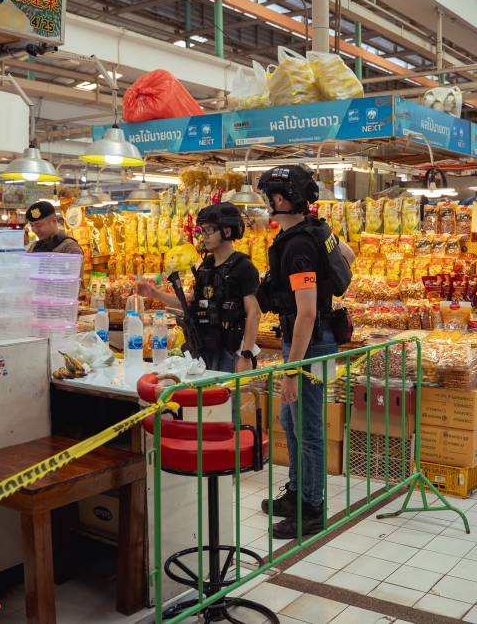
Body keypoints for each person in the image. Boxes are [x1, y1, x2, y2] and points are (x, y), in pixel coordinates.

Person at [255, 165, 354, 539]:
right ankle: (297, 493)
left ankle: (312, 509)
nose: (266, 204)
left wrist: (293, 370)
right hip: (312, 338)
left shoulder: (297, 246)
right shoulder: (318, 229)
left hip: (308, 343)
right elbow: (349, 254)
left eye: (268, 198)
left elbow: (308, 312)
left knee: (308, 428)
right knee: (292, 421)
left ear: (280, 200)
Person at [136, 202, 261, 374]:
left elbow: (254, 313)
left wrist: (246, 356)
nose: (204, 236)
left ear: (227, 231)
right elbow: (190, 303)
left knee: (227, 398)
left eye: (209, 230)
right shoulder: (205, 266)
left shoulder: (244, 267)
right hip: (203, 349)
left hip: (230, 353)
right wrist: (155, 293)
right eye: (202, 231)